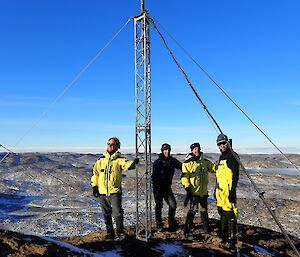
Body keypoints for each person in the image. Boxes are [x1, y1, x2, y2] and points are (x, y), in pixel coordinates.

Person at [91, 137, 139, 240]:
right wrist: (94, 186)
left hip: (114, 191)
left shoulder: (118, 160)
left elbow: (126, 164)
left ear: (117, 147)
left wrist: (132, 164)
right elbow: (95, 174)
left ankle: (120, 232)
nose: (110, 146)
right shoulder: (100, 161)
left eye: (113, 144)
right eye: (109, 144)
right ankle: (110, 233)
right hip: (102, 192)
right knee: (106, 213)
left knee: (117, 212)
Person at [181, 142, 213, 239]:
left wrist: (221, 166)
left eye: (198, 148)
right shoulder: (188, 163)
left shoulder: (204, 161)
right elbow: (184, 177)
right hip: (194, 192)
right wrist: (187, 188)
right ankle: (187, 229)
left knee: (204, 210)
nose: (196, 150)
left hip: (203, 192)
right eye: (194, 149)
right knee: (193, 210)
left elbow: (213, 168)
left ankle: (206, 229)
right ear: (192, 150)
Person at [214, 133, 239, 247]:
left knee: (230, 215)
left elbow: (235, 176)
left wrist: (232, 191)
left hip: (228, 191)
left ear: (227, 143)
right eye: (219, 144)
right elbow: (219, 176)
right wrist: (216, 189)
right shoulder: (221, 157)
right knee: (222, 213)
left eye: (223, 143)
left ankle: (231, 239)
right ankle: (223, 235)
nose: (221, 146)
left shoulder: (232, 156)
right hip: (221, 192)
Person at [152, 143, 182, 231]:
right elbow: (154, 177)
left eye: (168, 150)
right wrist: (156, 189)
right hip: (158, 188)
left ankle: (171, 223)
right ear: (162, 151)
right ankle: (159, 224)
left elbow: (181, 166)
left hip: (167, 188)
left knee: (173, 205)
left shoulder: (172, 161)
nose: (167, 151)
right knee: (159, 205)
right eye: (165, 150)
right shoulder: (157, 162)